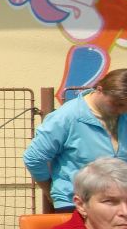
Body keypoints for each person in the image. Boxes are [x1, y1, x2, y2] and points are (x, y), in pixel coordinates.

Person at [23, 68, 127, 211]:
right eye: (116, 104)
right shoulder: (66, 117)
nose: (122, 110)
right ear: (99, 89)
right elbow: (34, 158)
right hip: (76, 204)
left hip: (121, 202)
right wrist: (50, 190)